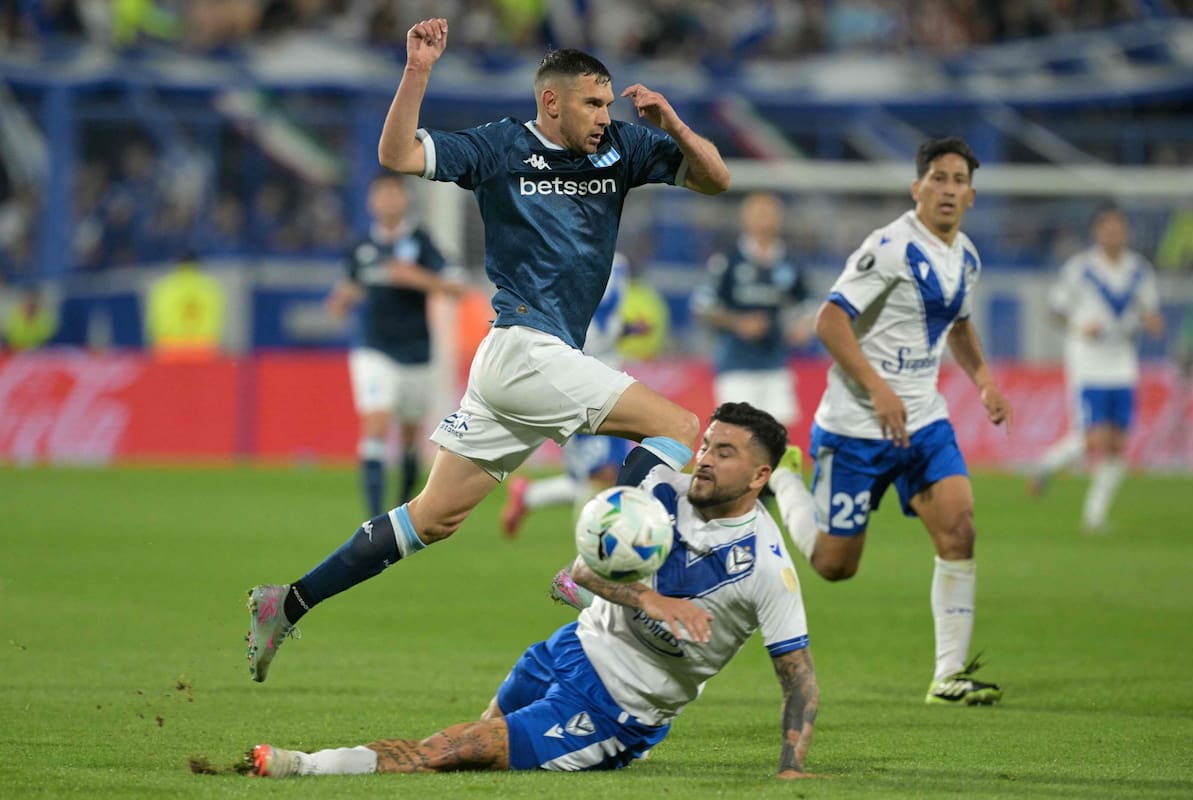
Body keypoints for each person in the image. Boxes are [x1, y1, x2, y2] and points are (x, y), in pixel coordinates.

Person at [245, 17, 731, 682]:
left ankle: (288, 601)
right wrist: (417, 71)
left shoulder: (622, 147)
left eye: (608, 102)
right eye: (591, 102)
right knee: (679, 427)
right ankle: (598, 571)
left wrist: (673, 124)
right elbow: (398, 155)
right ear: (551, 101)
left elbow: (715, 180)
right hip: (525, 349)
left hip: (522, 364)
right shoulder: (501, 147)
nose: (603, 115)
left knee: (432, 518)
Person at [244, 403, 820, 779]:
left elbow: (798, 677)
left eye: (725, 452)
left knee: (460, 749)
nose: (705, 460)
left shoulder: (766, 566)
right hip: (568, 650)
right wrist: (650, 600)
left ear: (760, 476)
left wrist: (792, 768)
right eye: (707, 445)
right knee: (466, 750)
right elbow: (582, 573)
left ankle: (303, 766)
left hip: (614, 711)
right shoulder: (658, 489)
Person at [792, 136, 1012, 706]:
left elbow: (958, 324)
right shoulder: (887, 246)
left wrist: (984, 380)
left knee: (959, 531)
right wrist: (877, 388)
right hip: (856, 426)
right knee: (835, 567)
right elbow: (829, 321)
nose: (947, 189)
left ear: (970, 195)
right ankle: (782, 486)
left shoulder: (967, 257)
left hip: (923, 422)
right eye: (937, 178)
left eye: (958, 180)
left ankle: (948, 676)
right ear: (918, 188)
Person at [326, 170, 465, 517]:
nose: (388, 200)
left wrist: (413, 277)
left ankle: (400, 511)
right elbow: (348, 289)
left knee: (408, 437)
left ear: (405, 199)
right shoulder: (361, 247)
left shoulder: (421, 242)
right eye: (381, 194)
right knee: (375, 423)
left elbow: (457, 287)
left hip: (417, 351)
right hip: (373, 348)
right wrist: (342, 301)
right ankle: (372, 519)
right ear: (372, 201)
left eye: (394, 193)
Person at [1036, 204, 1163, 533]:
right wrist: (1080, 325)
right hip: (1088, 360)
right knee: (1094, 439)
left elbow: (1149, 311)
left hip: (1123, 361)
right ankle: (1044, 465)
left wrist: (1152, 322)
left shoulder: (1139, 271)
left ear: (1126, 232)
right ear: (1096, 232)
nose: (1113, 233)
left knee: (1119, 443)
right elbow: (1054, 311)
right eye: (1107, 228)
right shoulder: (1080, 269)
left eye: (1119, 228)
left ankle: (1095, 515)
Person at [501, 254, 633, 537]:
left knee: (607, 475)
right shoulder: (564, 255)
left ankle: (530, 496)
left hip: (612, 377)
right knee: (604, 475)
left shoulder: (619, 263)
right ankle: (590, 561)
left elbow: (605, 320)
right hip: (578, 378)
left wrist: (625, 329)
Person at [691, 191, 811, 429]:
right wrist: (738, 323)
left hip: (775, 362)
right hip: (736, 364)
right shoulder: (728, 261)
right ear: (746, 219)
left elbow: (807, 305)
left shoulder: (788, 262)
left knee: (778, 435)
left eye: (770, 213)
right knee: (739, 434)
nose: (765, 219)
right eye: (759, 213)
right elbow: (702, 306)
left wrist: (803, 327)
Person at [144, 251, 225, 360]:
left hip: (169, 348)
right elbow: (217, 318)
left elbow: (154, 320)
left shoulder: (164, 287)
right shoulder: (210, 288)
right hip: (203, 348)